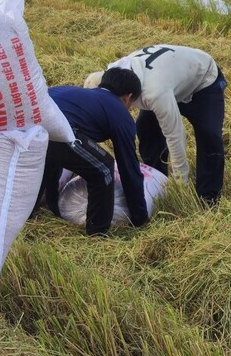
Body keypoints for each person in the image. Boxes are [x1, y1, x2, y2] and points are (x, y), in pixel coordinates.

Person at [87, 44, 226, 204]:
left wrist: (181, 185)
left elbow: (175, 135)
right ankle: (157, 180)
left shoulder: (154, 92)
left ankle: (209, 197)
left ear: (128, 97)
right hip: (169, 79)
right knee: (146, 129)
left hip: (202, 80)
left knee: (209, 135)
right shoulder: (107, 77)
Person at [39, 69, 151, 234]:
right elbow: (129, 168)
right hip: (60, 129)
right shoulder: (119, 112)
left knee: (52, 160)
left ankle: (48, 209)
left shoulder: (71, 91)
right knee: (104, 168)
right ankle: (97, 232)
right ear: (128, 97)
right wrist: (139, 216)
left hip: (28, 129)